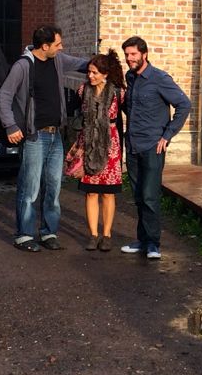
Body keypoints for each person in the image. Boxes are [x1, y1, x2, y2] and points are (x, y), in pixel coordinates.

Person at [0, 25, 88, 252]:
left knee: (54, 186)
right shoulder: (23, 66)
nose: (62, 47)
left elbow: (81, 64)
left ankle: (49, 233)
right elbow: (4, 96)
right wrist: (10, 125)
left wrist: (107, 64)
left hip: (55, 135)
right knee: (30, 188)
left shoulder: (57, 60)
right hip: (34, 136)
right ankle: (24, 236)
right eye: (58, 44)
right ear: (45, 46)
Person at [120, 35, 191, 259]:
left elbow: (184, 104)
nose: (129, 59)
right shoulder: (130, 77)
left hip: (152, 146)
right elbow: (130, 108)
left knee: (150, 196)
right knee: (139, 196)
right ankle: (142, 240)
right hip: (132, 145)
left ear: (144, 54)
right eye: (127, 55)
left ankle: (153, 244)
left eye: (133, 54)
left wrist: (167, 135)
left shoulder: (159, 78)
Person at [74, 49, 126, 251]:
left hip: (110, 145)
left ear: (105, 73)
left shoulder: (118, 93)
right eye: (89, 72)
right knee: (91, 193)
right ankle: (93, 234)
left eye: (94, 72)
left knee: (108, 194)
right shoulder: (82, 90)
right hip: (89, 143)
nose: (90, 76)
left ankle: (107, 234)